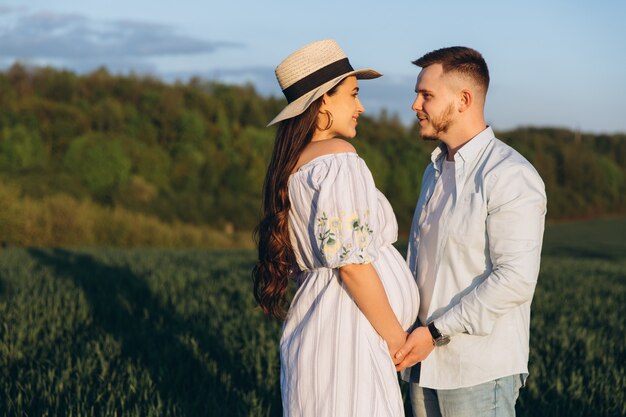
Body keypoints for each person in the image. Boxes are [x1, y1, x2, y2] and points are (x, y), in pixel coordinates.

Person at [252, 39, 419, 416]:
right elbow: (353, 266)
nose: (361, 106)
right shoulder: (339, 160)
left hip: (325, 334)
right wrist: (398, 340)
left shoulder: (294, 166)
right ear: (323, 101)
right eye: (353, 94)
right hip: (350, 340)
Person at [394, 46, 547, 417]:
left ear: (464, 100)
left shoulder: (509, 175)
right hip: (420, 367)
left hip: (477, 372)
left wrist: (434, 333)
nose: (415, 105)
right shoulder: (432, 171)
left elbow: (515, 279)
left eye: (426, 95)